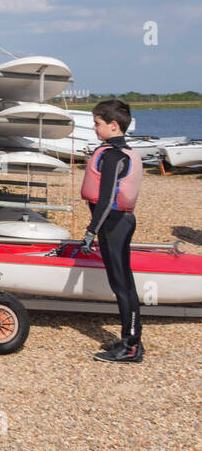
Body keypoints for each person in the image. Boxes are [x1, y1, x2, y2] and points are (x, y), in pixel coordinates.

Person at [81, 99, 144, 363]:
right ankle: (129, 339)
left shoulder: (113, 156)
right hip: (117, 222)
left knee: (122, 285)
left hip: (114, 224)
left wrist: (90, 232)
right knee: (122, 283)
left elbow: (106, 200)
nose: (94, 128)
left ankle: (131, 346)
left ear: (113, 125)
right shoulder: (117, 152)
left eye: (97, 123)